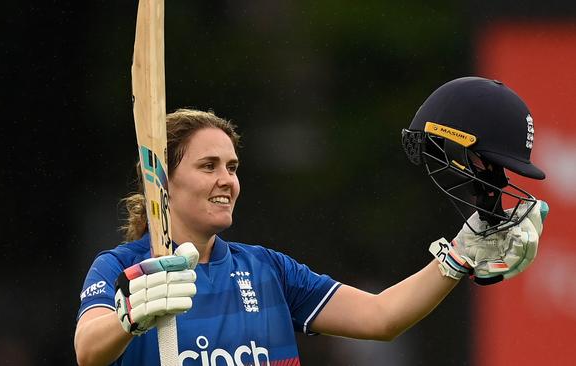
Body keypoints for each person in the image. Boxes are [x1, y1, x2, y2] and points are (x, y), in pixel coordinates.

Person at [75, 77, 548, 366]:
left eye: (233, 167)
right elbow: (88, 350)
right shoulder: (124, 267)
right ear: (162, 181)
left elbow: (382, 317)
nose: (227, 180)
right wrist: (130, 318)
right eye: (208, 166)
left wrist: (461, 256)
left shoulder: (267, 271)